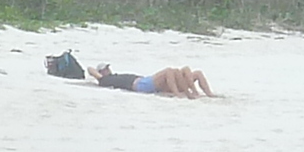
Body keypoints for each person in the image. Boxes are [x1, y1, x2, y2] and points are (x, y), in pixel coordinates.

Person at [43, 51, 212, 98]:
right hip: (140, 85)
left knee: (190, 71)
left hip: (145, 81)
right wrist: (100, 73)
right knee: (170, 71)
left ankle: (203, 93)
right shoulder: (105, 80)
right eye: (106, 69)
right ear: (103, 72)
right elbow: (89, 69)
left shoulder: (112, 75)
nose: (108, 70)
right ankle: (181, 93)